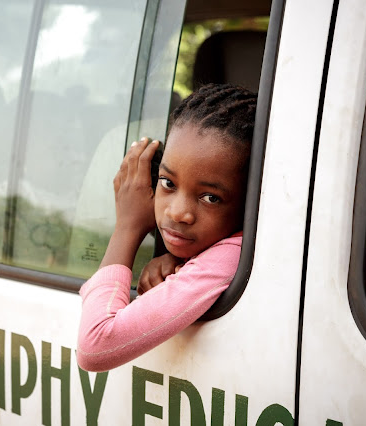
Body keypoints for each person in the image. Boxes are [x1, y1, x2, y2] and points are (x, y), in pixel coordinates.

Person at [77, 84, 256, 372]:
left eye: (210, 197)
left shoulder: (230, 257)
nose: (177, 212)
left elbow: (95, 344)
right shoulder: (225, 249)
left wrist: (128, 226)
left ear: (250, 202)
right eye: (168, 183)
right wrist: (181, 262)